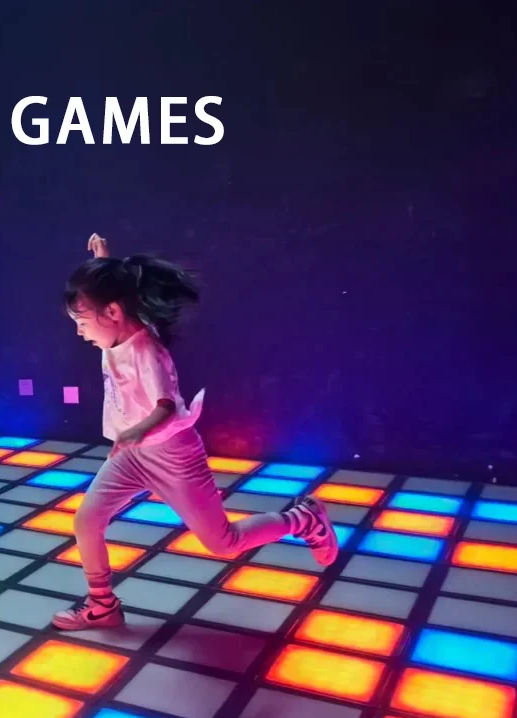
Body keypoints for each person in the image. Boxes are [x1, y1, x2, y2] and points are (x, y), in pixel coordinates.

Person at [52, 233, 337, 630]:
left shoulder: (146, 351)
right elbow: (111, 294)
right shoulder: (115, 330)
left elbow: (166, 408)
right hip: (132, 456)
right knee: (86, 520)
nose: (80, 332)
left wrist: (134, 433)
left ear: (113, 312)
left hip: (173, 456)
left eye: (82, 322)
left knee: (224, 542)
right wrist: (102, 260)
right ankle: (103, 605)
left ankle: (303, 519)